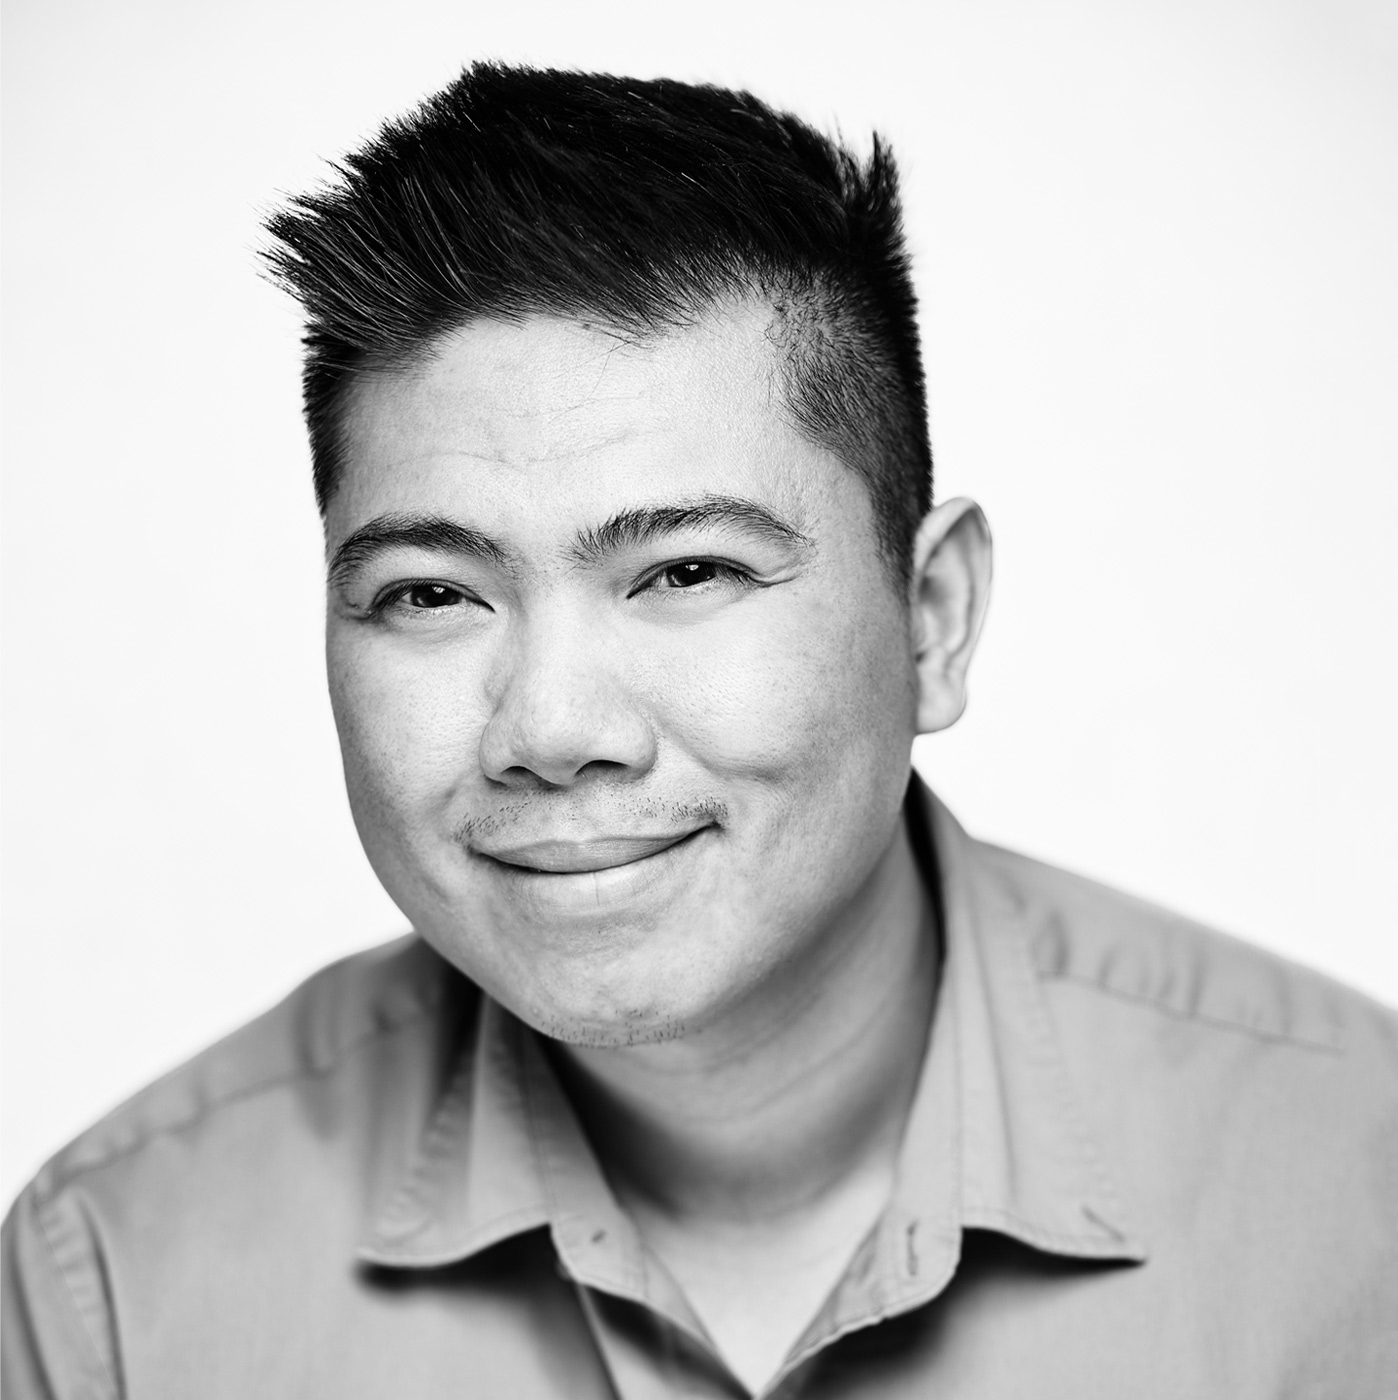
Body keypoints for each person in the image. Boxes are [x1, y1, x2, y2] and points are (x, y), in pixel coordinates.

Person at [3, 61, 1394, 1400]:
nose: (552, 728)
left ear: (931, 616)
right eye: (430, 594)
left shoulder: (1357, 1192)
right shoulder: (121, 1284)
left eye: (685, 572)